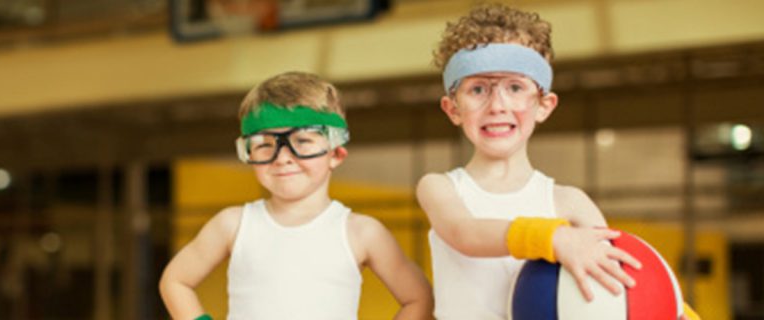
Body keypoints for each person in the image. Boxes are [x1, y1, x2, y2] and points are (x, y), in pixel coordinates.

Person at [415, 3, 699, 319]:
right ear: (453, 108)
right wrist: (554, 237)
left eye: (515, 87)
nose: (497, 105)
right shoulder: (439, 187)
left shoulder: (571, 202)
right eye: (478, 88)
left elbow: (614, 276)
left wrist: (674, 309)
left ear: (544, 106)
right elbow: (465, 233)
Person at [160, 71, 434, 319]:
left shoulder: (362, 232)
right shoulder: (233, 224)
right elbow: (175, 281)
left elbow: (418, 298)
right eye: (265, 144)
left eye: (302, 141)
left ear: (336, 153)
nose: (282, 158)